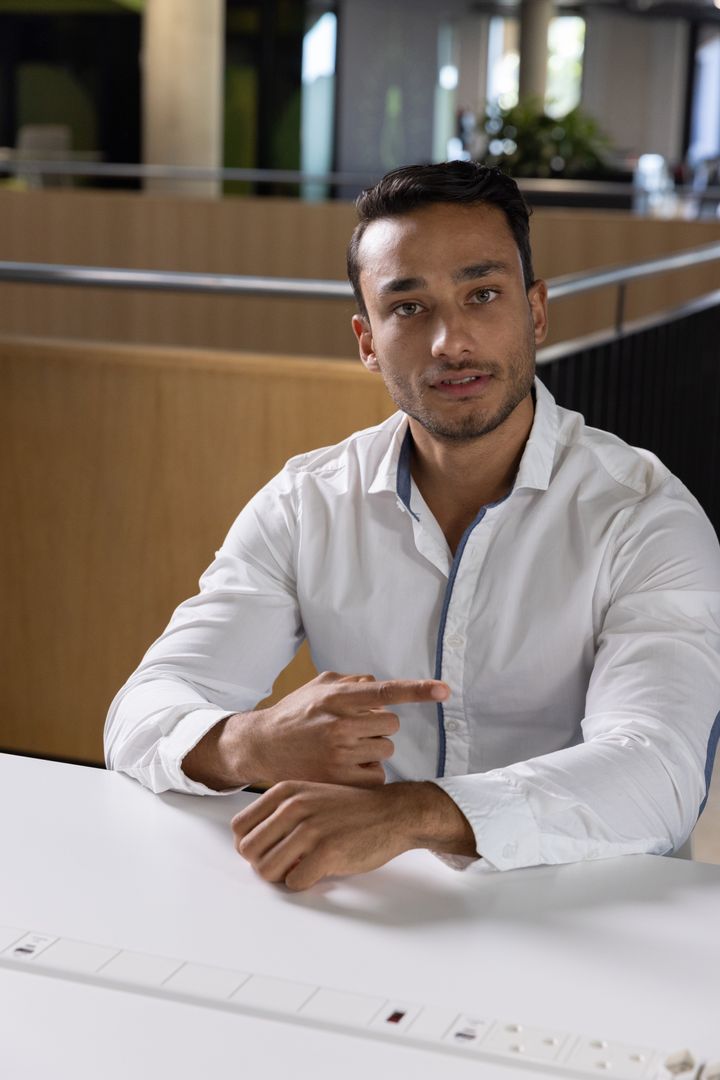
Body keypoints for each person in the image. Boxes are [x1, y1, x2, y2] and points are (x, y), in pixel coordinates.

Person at [105, 161, 720, 892]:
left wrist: (411, 815)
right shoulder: (307, 501)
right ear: (367, 342)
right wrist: (249, 742)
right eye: (408, 308)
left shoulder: (645, 514)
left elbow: (659, 769)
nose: (449, 343)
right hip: (379, 904)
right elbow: (143, 709)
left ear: (537, 312)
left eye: (482, 295)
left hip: (590, 915)